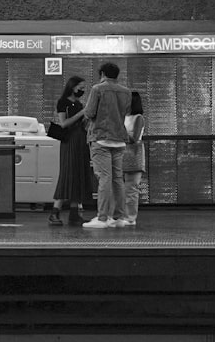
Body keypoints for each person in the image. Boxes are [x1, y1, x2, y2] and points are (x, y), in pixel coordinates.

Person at [82, 62, 133, 229]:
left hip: (101, 138)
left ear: (102, 73)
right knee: (118, 179)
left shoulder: (98, 89)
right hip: (119, 139)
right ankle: (119, 217)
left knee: (104, 178)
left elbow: (89, 113)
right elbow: (124, 112)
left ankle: (102, 217)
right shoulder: (126, 92)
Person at [48, 76, 94, 226]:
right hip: (70, 142)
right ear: (72, 86)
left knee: (78, 175)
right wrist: (81, 114)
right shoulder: (63, 102)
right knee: (67, 175)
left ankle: (74, 214)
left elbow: (82, 123)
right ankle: (54, 212)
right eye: (80, 86)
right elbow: (64, 123)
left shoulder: (79, 104)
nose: (82, 90)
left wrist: (87, 117)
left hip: (81, 140)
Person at [123, 91, 146, 226]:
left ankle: (130, 217)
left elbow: (135, 138)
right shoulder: (122, 117)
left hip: (134, 153)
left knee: (131, 188)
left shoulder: (138, 118)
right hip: (121, 153)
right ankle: (120, 214)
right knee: (120, 187)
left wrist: (120, 130)